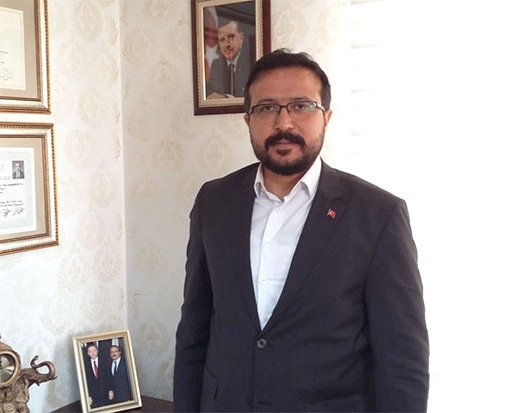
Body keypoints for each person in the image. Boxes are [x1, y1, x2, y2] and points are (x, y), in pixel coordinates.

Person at [174, 49, 429, 412]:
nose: (284, 123)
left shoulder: (378, 215)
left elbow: (403, 361)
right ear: (247, 120)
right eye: (267, 108)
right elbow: (194, 330)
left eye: (301, 106)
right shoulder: (214, 202)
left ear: (326, 117)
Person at [206, 18, 252, 98]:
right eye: (222, 40)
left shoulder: (250, 61)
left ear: (241, 38)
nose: (227, 44)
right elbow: (209, 92)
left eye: (231, 37)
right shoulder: (217, 64)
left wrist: (226, 98)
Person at [83, 342, 109, 408]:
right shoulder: (84, 365)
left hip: (105, 394)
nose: (93, 353)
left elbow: (109, 377)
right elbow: (85, 382)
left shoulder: (105, 361)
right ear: (88, 353)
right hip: (93, 397)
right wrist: (88, 395)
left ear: (97, 351)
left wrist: (110, 390)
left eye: (94, 350)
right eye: (90, 351)